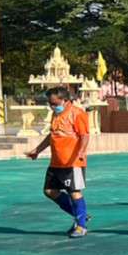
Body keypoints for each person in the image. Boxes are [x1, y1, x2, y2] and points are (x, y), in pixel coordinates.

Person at [27, 86, 92, 238]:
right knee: (49, 191)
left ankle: (81, 226)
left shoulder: (77, 114)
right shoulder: (55, 115)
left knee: (74, 192)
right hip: (56, 162)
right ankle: (80, 214)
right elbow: (52, 135)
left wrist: (81, 152)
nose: (52, 106)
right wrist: (37, 150)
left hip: (72, 162)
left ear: (65, 100)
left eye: (55, 103)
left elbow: (84, 135)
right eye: (50, 103)